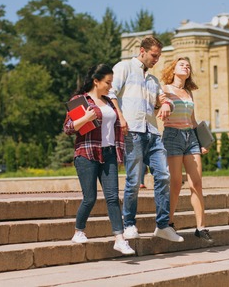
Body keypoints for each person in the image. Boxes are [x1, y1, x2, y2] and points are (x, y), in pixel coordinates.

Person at [109, 36, 184, 242]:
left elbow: (161, 101)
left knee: (164, 176)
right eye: (154, 55)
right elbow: (110, 92)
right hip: (132, 131)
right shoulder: (124, 67)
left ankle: (162, 225)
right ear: (142, 51)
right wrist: (120, 117)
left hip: (152, 132)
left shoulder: (153, 80)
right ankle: (129, 223)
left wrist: (166, 104)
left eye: (159, 56)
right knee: (133, 180)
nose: (156, 60)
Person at [63, 64, 135, 255]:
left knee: (112, 198)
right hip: (87, 154)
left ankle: (119, 239)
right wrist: (86, 118)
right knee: (90, 198)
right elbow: (68, 128)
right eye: (107, 82)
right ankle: (79, 230)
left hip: (109, 153)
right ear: (96, 81)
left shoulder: (109, 102)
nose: (110, 87)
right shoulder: (80, 100)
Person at [160, 57, 214, 243]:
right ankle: (169, 222)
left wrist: (201, 141)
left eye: (188, 66)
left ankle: (201, 227)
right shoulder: (165, 89)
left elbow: (193, 120)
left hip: (190, 137)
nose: (186, 67)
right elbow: (159, 110)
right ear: (173, 69)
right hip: (172, 136)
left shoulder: (189, 93)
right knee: (175, 183)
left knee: (196, 183)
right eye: (182, 64)